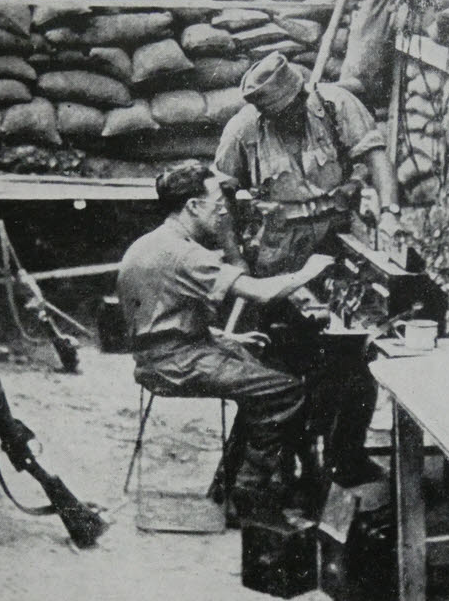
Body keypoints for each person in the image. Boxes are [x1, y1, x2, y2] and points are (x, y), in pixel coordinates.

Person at [117, 160, 335, 521]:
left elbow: (157, 318)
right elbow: (261, 293)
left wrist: (224, 337)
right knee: (285, 390)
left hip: (168, 352)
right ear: (192, 206)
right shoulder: (186, 254)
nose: (223, 213)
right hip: (176, 364)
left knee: (260, 365)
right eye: (218, 204)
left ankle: (229, 484)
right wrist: (308, 271)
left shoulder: (153, 242)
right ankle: (250, 495)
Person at [213, 51, 401, 278]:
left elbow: (376, 156)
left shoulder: (335, 104)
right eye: (279, 116)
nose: (289, 120)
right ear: (265, 114)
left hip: (339, 230)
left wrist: (390, 212)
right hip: (277, 242)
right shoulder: (242, 131)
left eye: (294, 109)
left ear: (303, 94)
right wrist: (235, 258)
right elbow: (219, 198)